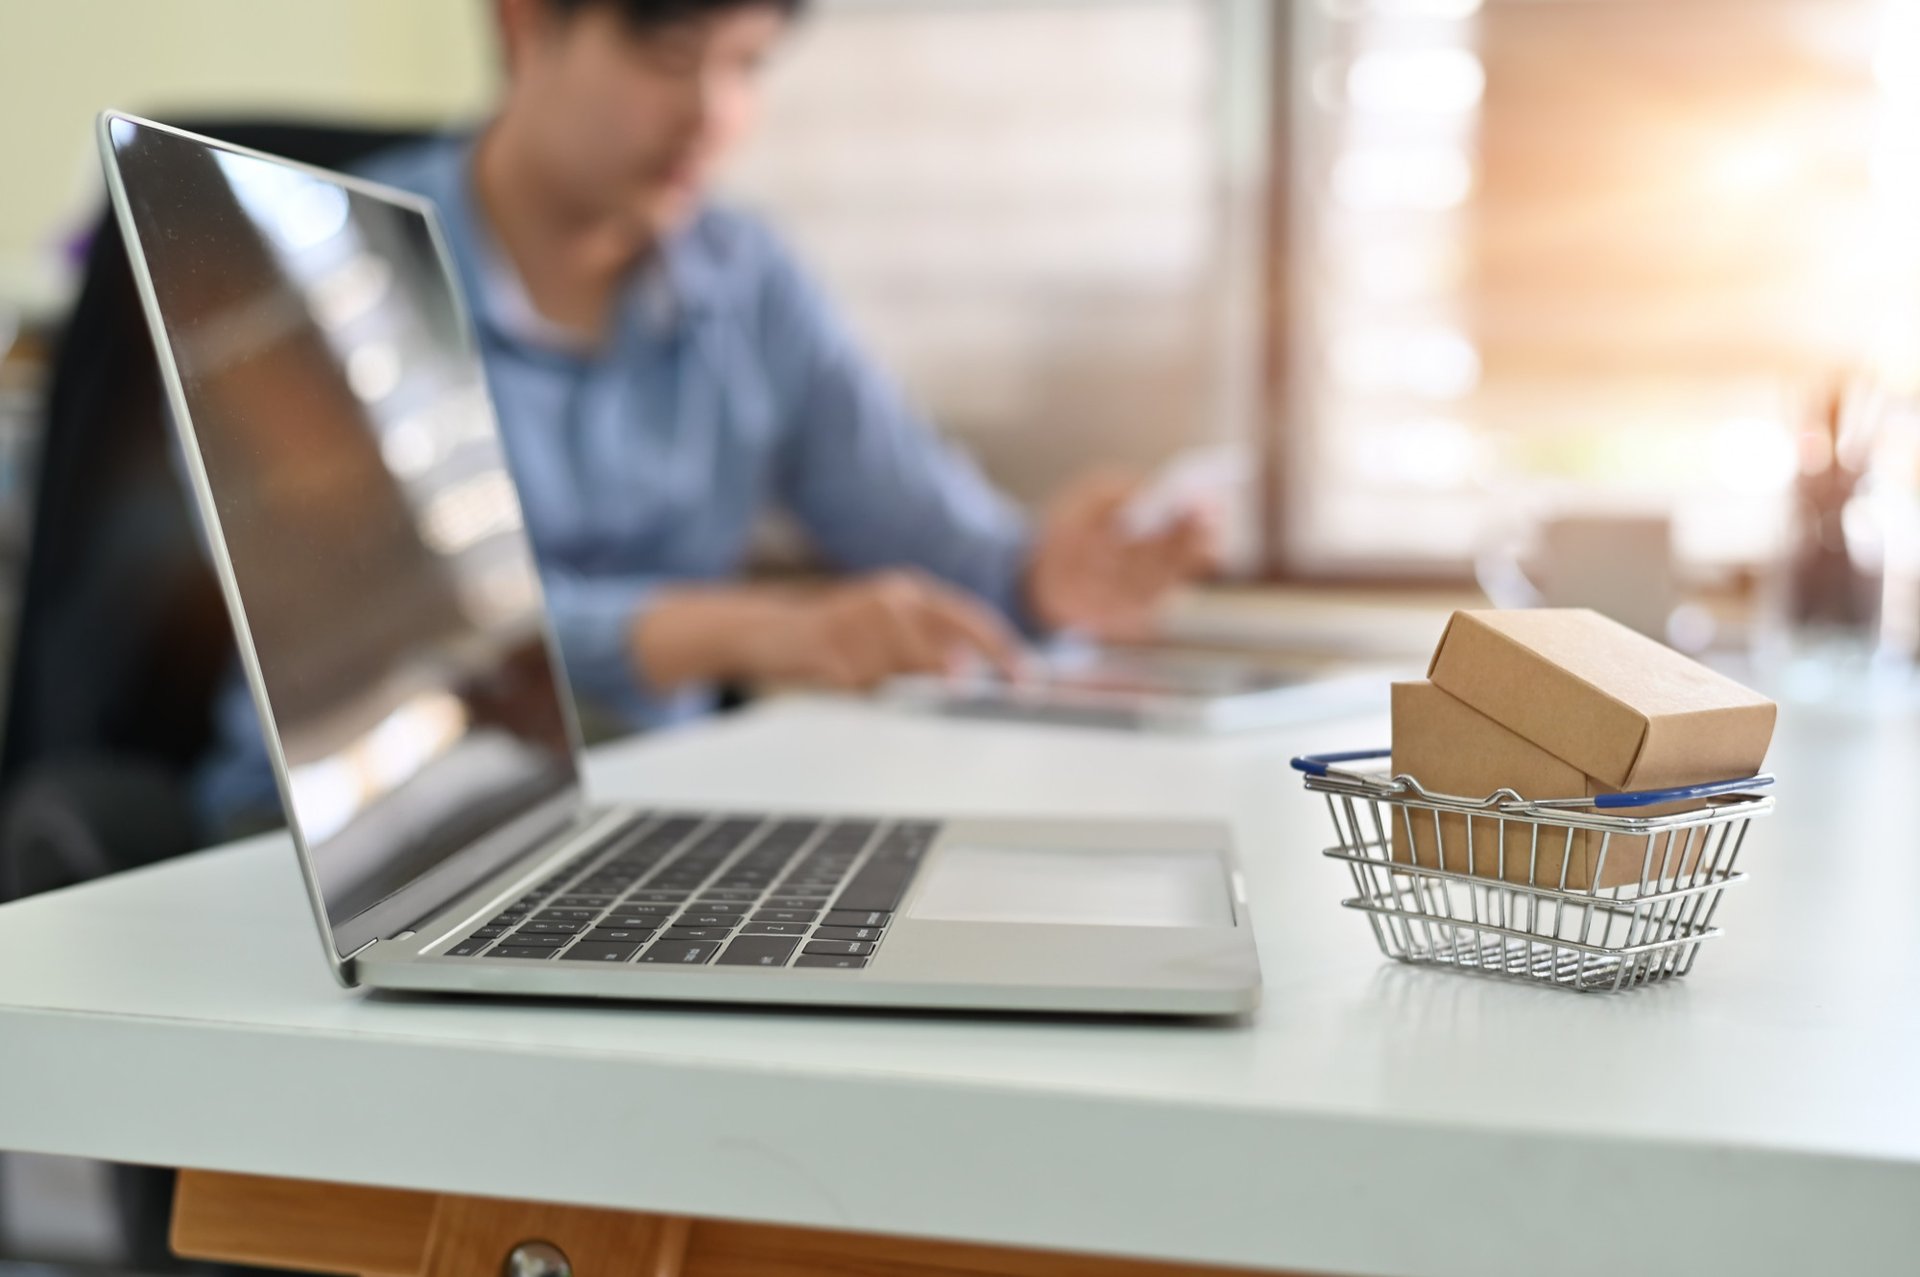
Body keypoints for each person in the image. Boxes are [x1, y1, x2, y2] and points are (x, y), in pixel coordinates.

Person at [196, 0, 1214, 831]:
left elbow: (943, 546)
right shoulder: (327, 261)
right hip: (349, 829)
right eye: (675, 57)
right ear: (523, 27)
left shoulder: (748, 280)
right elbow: (397, 629)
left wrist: (1047, 572)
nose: (714, 114)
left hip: (642, 811)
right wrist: (743, 630)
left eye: (747, 65)